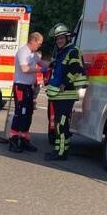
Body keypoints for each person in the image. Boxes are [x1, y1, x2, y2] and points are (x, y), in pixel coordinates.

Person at [44, 23, 88, 161]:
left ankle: (62, 153)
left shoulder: (72, 51)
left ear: (68, 38)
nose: (59, 41)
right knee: (58, 125)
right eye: (57, 39)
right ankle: (58, 150)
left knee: (61, 125)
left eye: (61, 38)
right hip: (58, 95)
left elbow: (76, 69)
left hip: (66, 94)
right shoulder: (61, 52)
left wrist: (65, 83)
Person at [8, 32, 50, 152]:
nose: (39, 46)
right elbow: (25, 69)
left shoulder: (34, 54)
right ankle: (14, 140)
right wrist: (40, 70)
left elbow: (43, 63)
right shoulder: (23, 52)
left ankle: (25, 138)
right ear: (33, 41)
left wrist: (53, 64)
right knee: (20, 113)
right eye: (39, 43)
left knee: (28, 114)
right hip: (20, 86)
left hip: (29, 87)